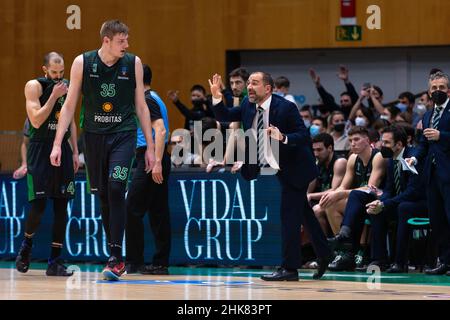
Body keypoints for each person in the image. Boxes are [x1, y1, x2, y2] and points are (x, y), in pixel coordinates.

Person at [50, 20, 156, 281]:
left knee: (117, 187)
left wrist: (150, 146)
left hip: (124, 134)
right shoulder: (82, 63)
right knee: (105, 196)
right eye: (122, 40)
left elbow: (141, 106)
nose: (127, 45)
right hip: (94, 137)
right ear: (106, 40)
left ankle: (116, 258)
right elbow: (69, 105)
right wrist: (57, 143)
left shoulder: (133, 63)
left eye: (127, 40)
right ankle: (113, 253)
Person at [209, 72, 332, 281]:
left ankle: (290, 269)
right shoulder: (248, 104)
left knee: (289, 217)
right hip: (278, 166)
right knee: (303, 213)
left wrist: (282, 137)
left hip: (296, 168)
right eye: (248, 83)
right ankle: (326, 253)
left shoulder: (285, 107)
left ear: (268, 89)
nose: (249, 86)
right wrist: (216, 96)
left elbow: (302, 136)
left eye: (254, 83)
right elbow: (226, 115)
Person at [15, 52, 79, 277]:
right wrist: (53, 95)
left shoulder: (68, 85)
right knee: (39, 205)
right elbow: (36, 120)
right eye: (54, 73)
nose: (58, 77)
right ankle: (27, 246)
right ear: (45, 70)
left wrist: (75, 151)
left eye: (61, 73)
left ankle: (55, 261)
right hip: (40, 148)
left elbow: (69, 118)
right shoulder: (34, 86)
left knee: (62, 205)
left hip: (62, 146)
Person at [125, 64, 171, 275]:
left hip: (150, 158)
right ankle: (160, 263)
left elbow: (160, 131)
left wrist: (157, 162)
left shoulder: (147, 100)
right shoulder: (155, 97)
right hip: (155, 158)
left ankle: (135, 262)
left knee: (131, 208)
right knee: (158, 212)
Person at [366, 125, 427, 272]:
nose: (382, 145)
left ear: (399, 144)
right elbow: (389, 189)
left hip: (423, 203)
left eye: (387, 142)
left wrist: (386, 203)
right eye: (382, 142)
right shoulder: (392, 159)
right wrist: (380, 202)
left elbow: (413, 192)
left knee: (403, 207)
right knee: (375, 209)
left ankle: (400, 262)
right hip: (403, 202)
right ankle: (380, 259)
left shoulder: (413, 158)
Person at [407, 71, 450, 276]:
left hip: (449, 173)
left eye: (441, 87)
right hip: (431, 175)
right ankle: (445, 261)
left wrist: (442, 135)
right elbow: (423, 143)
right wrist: (414, 158)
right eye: (434, 88)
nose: (438, 91)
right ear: (429, 91)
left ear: (448, 90)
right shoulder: (427, 115)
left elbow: (438, 138)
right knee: (438, 220)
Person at [307, 133, 348, 236]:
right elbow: (308, 190)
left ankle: (330, 246)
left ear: (329, 148)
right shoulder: (318, 163)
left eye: (319, 150)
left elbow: (334, 190)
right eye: (314, 150)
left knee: (317, 210)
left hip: (339, 199)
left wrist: (310, 196)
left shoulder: (339, 162)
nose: (316, 154)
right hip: (324, 200)